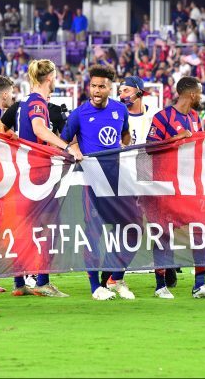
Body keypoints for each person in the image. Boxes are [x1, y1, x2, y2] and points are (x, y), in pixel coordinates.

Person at [146, 76, 205, 299]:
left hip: (190, 185)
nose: (202, 96)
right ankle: (161, 286)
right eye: (200, 92)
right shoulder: (162, 117)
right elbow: (149, 148)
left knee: (200, 232)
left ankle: (200, 285)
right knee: (164, 235)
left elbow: (196, 145)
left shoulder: (194, 117)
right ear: (191, 94)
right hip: (166, 186)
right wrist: (175, 138)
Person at [61, 65, 132, 300]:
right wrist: (74, 148)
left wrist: (123, 146)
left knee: (132, 227)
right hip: (91, 180)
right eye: (93, 86)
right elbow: (63, 141)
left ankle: (113, 277)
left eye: (101, 86)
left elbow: (125, 135)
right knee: (94, 232)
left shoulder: (120, 109)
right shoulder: (79, 113)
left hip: (117, 178)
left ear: (110, 87)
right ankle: (95, 287)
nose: (97, 90)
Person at [15, 59, 82, 297]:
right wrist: (67, 148)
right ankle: (42, 282)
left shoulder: (24, 103)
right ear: (50, 77)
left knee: (27, 226)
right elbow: (39, 130)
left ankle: (19, 283)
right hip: (36, 173)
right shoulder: (37, 102)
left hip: (26, 171)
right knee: (46, 227)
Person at [100, 76, 153, 292]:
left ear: (139, 92)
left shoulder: (153, 114)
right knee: (124, 227)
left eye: (127, 90)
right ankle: (111, 273)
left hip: (148, 179)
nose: (122, 95)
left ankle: (165, 270)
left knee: (156, 225)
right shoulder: (114, 114)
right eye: (120, 91)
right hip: (121, 178)